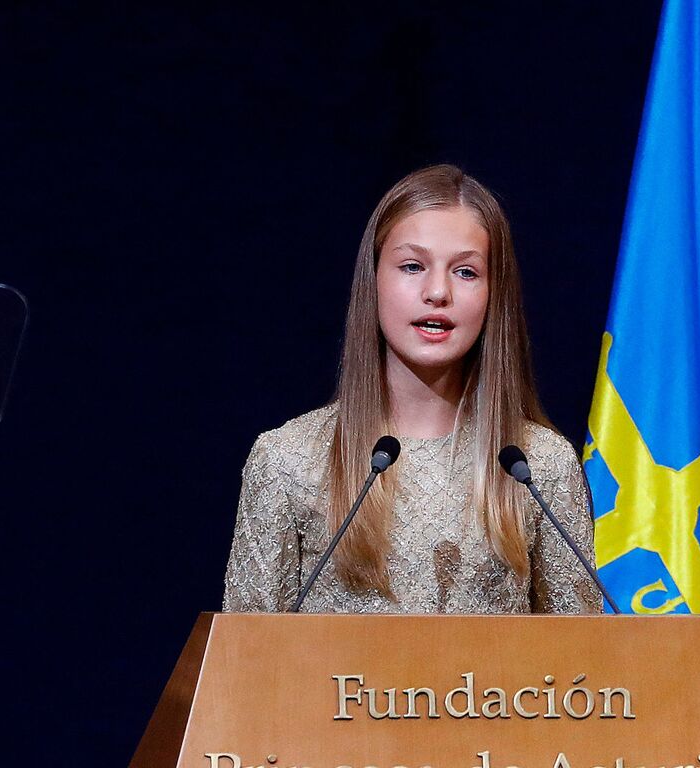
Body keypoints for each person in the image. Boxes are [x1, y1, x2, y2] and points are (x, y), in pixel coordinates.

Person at [222, 164, 602, 614]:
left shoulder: (539, 466)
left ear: (493, 295)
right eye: (412, 266)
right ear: (374, 281)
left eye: (465, 272)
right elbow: (244, 666)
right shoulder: (288, 460)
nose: (437, 291)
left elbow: (581, 670)